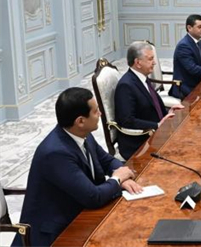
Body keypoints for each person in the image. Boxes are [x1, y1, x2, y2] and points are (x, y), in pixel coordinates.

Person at [13, 88, 143, 247]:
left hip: (79, 212)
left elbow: (108, 161)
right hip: (55, 233)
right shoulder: (56, 153)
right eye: (96, 111)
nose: (101, 114)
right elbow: (93, 197)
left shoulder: (82, 133)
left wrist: (121, 177)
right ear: (80, 121)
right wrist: (117, 179)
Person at [115, 41, 184, 160]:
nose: (155, 62)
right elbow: (127, 121)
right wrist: (157, 125)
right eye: (150, 59)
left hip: (156, 134)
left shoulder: (142, 78)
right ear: (138, 62)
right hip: (140, 142)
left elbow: (151, 106)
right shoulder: (126, 86)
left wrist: (168, 112)